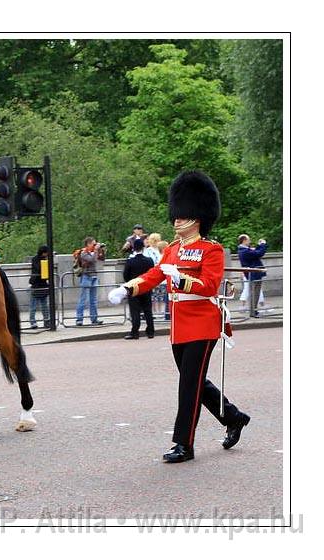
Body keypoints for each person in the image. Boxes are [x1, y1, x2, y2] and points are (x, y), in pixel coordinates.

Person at [109, 171, 250, 463]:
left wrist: (182, 278)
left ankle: (184, 444)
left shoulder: (211, 249)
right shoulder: (172, 250)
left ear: (197, 217)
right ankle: (234, 417)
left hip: (204, 324)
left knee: (188, 385)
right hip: (180, 327)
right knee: (196, 382)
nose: (176, 220)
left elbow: (209, 285)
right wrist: (126, 289)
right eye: (176, 214)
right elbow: (152, 275)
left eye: (182, 215)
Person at [121, 238, 154, 339]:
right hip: (146, 287)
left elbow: (125, 275)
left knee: (135, 311)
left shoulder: (130, 261)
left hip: (134, 288)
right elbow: (152, 273)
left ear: (134, 248)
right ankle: (150, 331)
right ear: (143, 248)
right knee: (148, 310)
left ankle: (135, 332)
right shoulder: (149, 261)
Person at [75, 236, 105, 325]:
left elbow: (101, 259)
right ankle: (79, 319)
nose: (95, 245)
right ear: (88, 244)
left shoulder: (93, 252)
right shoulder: (83, 252)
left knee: (93, 300)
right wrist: (96, 250)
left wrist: (102, 250)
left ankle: (94, 318)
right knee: (83, 299)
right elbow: (92, 260)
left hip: (94, 277)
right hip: (86, 276)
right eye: (93, 244)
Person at [237, 234, 268, 318]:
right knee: (254, 294)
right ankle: (253, 312)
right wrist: (263, 244)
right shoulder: (244, 251)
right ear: (244, 240)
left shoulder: (244, 250)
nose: (249, 241)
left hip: (253, 274)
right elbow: (259, 253)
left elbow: (255, 252)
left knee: (255, 293)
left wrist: (259, 245)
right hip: (254, 274)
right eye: (248, 240)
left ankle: (254, 311)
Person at [28, 245, 51, 329]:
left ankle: (46, 320)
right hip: (36, 284)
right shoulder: (35, 259)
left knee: (44, 305)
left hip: (43, 283)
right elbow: (38, 269)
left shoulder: (46, 259)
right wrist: (45, 262)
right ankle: (32, 321)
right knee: (33, 305)